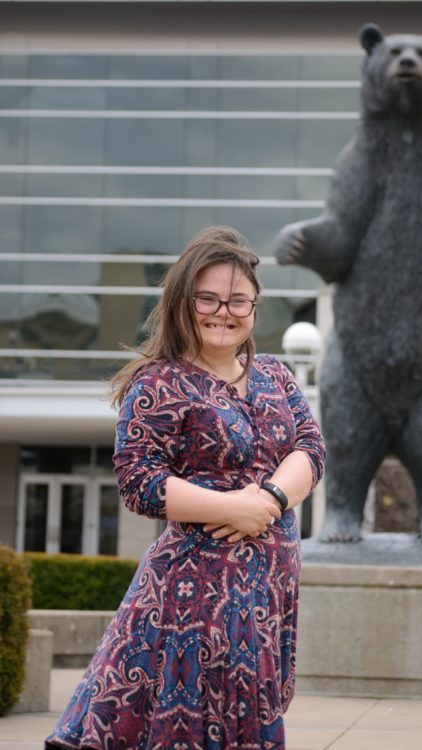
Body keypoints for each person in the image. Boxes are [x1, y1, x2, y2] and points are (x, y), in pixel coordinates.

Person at [45, 226, 325, 750]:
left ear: (255, 307)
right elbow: (139, 482)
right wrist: (229, 508)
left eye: (238, 300)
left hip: (270, 589)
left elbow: (310, 450)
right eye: (209, 299)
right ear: (182, 303)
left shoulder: (277, 376)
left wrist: (267, 501)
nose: (224, 311)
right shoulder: (158, 383)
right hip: (191, 601)